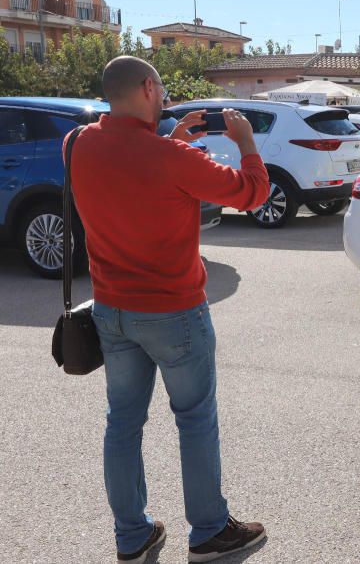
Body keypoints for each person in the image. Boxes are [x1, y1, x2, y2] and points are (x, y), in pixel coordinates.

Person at [67, 56, 270, 563]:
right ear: (148, 88)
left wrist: (170, 140)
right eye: (159, 88)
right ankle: (208, 533)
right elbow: (253, 193)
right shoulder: (174, 159)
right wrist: (246, 142)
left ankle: (132, 537)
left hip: (112, 311)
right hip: (176, 315)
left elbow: (131, 172)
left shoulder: (77, 145)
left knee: (123, 423)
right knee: (195, 420)